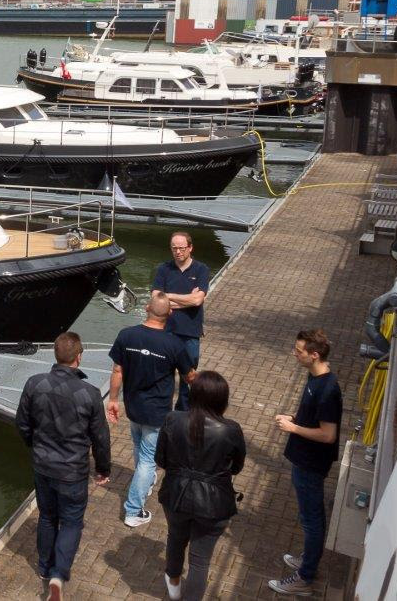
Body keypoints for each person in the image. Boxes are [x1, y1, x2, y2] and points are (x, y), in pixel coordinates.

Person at [16, 332, 112, 601]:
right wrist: (103, 469)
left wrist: (34, 446)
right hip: (73, 471)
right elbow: (100, 437)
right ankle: (58, 575)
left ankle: (44, 567)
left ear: (56, 355)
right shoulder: (90, 394)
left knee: (47, 517)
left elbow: (22, 423)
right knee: (71, 522)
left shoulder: (34, 384)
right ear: (79, 357)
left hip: (43, 466)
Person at [107, 292, 196, 528]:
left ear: (147, 308)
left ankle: (143, 483)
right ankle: (133, 510)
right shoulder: (174, 344)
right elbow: (190, 377)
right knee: (148, 459)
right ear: (170, 313)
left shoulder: (126, 335)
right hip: (157, 412)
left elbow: (118, 371)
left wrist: (113, 399)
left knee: (139, 448)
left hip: (133, 406)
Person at [156, 371, 246, 601]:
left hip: (175, 495)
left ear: (193, 395)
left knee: (175, 538)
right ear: (222, 400)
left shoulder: (172, 419)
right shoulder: (231, 429)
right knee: (200, 560)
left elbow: (160, 459)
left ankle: (174, 588)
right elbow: (236, 467)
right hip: (215, 504)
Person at [268, 329, 343, 595]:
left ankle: (305, 576)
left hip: (311, 462)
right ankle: (308, 560)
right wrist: (293, 417)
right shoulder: (314, 378)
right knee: (309, 515)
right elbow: (311, 418)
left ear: (314, 355)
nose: (294, 354)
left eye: (298, 351)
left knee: (312, 519)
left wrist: (293, 428)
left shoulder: (326, 390)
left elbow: (328, 434)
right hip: (303, 457)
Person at [151, 231, 210, 410]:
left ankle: (183, 414)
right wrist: (187, 300)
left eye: (182, 248)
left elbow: (198, 300)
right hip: (166, 332)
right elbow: (155, 300)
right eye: (174, 248)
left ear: (190, 248)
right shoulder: (163, 269)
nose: (178, 252)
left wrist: (168, 298)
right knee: (163, 376)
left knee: (188, 378)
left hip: (190, 334)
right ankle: (163, 411)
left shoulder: (201, 269)